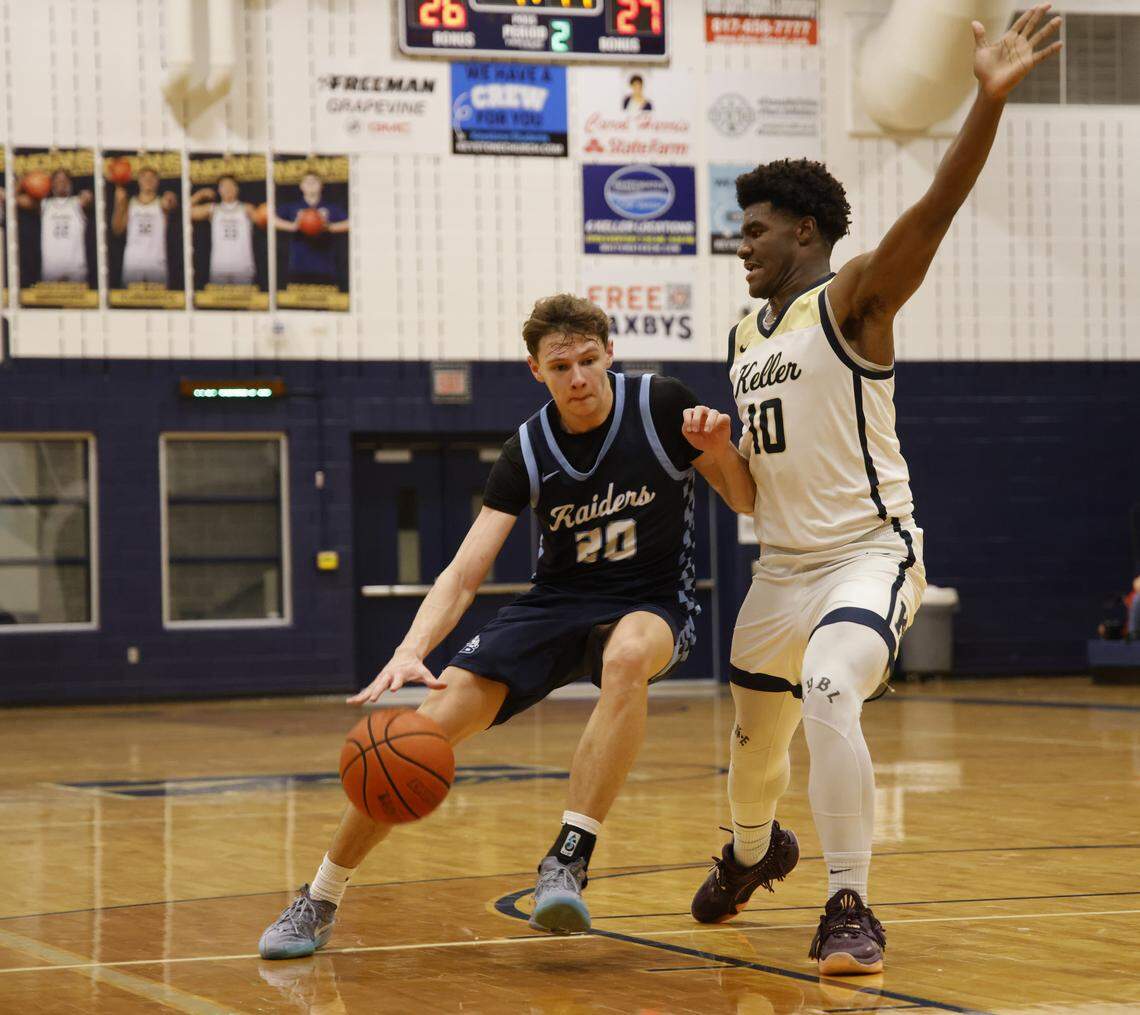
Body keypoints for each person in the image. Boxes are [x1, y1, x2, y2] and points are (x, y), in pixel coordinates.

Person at [686, 5, 1064, 977]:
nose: (744, 246)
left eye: (758, 231)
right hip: (780, 567)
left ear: (804, 233)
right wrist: (716, 454)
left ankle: (849, 903)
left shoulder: (852, 298)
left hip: (868, 555)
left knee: (826, 690)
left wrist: (984, 102)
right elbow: (749, 498)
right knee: (754, 744)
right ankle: (749, 852)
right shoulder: (742, 340)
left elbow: (934, 209)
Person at [258, 293, 754, 959]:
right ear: (535, 370)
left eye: (587, 359)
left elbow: (744, 495)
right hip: (555, 604)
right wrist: (410, 650)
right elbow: (464, 573)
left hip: (653, 601)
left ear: (609, 353)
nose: (577, 377)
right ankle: (319, 896)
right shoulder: (527, 447)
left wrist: (719, 450)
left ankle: (568, 859)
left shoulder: (662, 405)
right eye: (560, 365)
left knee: (628, 655)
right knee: (414, 736)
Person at [17, 170, 93, 283]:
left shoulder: (76, 202)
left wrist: (88, 196)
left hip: (75, 269)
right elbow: (15, 199)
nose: (61, 183)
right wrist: (23, 183)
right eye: (58, 180)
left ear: (70, 184)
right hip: (51, 270)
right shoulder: (45, 205)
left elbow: (88, 199)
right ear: (51, 184)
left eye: (64, 180)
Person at [275, 171, 348, 287]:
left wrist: (329, 227)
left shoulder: (331, 207)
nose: (310, 184)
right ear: (301, 186)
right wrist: (293, 226)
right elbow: (271, 219)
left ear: (322, 186)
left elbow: (351, 223)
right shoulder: (293, 207)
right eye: (307, 182)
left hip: (326, 267)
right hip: (298, 266)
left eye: (314, 181)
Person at [112, 166, 178, 287]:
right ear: (139, 181)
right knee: (131, 302)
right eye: (144, 177)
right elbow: (117, 230)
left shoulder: (161, 203)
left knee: (157, 301)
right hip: (133, 262)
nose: (148, 180)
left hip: (156, 263)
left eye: (152, 178)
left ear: (158, 182)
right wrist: (119, 204)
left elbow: (171, 203)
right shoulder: (130, 203)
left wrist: (171, 199)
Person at [190, 174, 258, 286]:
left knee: (243, 301)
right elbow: (187, 212)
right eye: (224, 186)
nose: (228, 189)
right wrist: (200, 195)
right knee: (219, 302)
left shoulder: (247, 208)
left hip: (243, 266)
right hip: (219, 266)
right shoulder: (213, 209)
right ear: (219, 190)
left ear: (237, 189)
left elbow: (263, 220)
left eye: (231, 185)